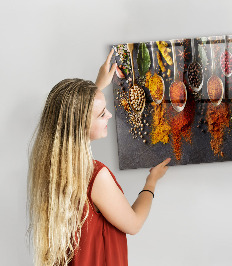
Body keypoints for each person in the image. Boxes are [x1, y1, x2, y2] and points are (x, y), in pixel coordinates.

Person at [27, 50, 171, 266]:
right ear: (82, 124)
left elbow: (75, 113)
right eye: (102, 113)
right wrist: (151, 181)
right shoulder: (95, 176)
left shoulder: (50, 165)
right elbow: (134, 224)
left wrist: (97, 86)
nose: (110, 116)